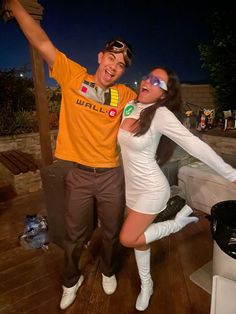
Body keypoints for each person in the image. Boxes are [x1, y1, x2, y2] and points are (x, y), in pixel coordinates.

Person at [5, 0, 137, 310]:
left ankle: (107, 269)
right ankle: (71, 279)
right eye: (111, 59)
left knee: (111, 231)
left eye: (120, 65)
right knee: (74, 236)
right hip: (78, 175)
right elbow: (41, 40)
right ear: (100, 57)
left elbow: (147, 110)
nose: (114, 67)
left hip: (111, 176)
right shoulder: (73, 77)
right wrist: (15, 5)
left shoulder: (125, 95)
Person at [118, 66, 236, 311]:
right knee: (140, 240)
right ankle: (146, 285)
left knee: (128, 237)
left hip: (151, 189)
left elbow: (194, 145)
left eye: (156, 81)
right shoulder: (130, 106)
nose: (147, 80)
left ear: (163, 95)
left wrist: (231, 174)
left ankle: (178, 223)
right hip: (132, 189)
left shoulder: (160, 114)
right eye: (148, 76)